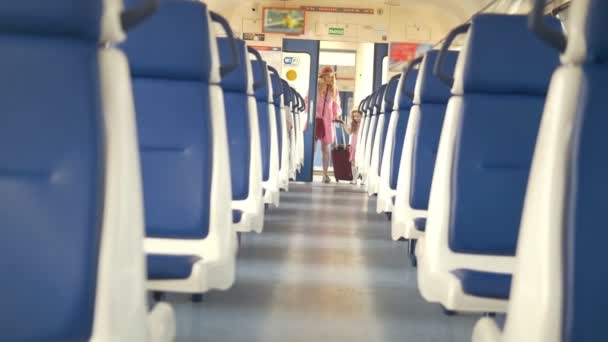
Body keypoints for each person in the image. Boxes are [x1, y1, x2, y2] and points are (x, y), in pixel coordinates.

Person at [314, 66, 341, 184]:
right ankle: (308, 171)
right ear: (322, 76)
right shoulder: (315, 87)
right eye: (328, 76)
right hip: (316, 120)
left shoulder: (334, 90)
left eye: (331, 76)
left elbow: (336, 106)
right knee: (313, 148)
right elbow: (307, 101)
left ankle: (325, 174)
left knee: (325, 148)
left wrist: (337, 116)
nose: (330, 78)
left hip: (328, 122)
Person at [338, 110, 362, 184]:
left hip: (360, 144)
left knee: (359, 161)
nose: (356, 118)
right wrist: (344, 124)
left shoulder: (363, 124)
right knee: (353, 162)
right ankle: (354, 178)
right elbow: (349, 132)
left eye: (358, 116)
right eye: (354, 116)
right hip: (354, 144)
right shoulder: (354, 125)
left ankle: (361, 178)